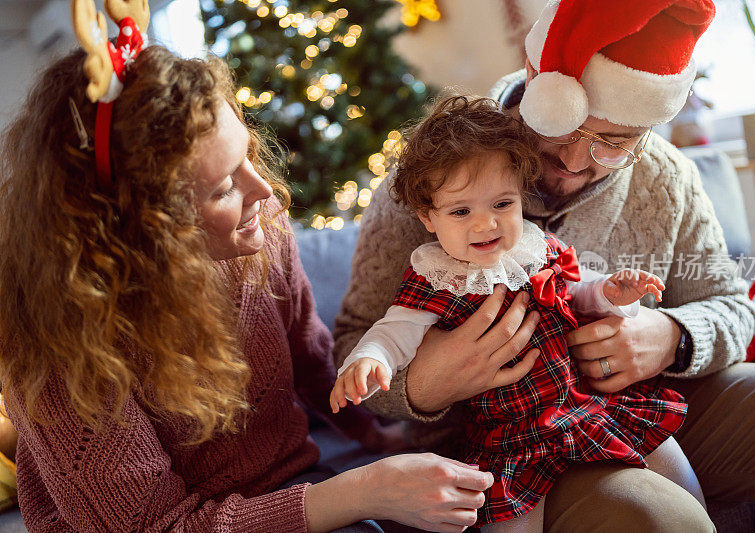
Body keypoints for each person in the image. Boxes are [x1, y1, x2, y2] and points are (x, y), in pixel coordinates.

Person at [0, 2, 495, 531]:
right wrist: (364, 491)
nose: (264, 194)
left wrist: (380, 437)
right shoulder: (60, 352)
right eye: (223, 188)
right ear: (139, 225)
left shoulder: (260, 239)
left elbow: (313, 363)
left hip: (293, 489)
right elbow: (158, 525)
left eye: (248, 159)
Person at [334, 1, 755, 531]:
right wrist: (424, 384)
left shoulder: (668, 178)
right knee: (654, 516)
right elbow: (353, 342)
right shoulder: (436, 177)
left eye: (614, 142)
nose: (577, 164)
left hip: (641, 406)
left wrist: (671, 335)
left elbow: (734, 307)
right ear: (537, 81)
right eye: (567, 129)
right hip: (502, 443)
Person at [330, 95, 705, 532]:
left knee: (673, 465)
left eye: (502, 204)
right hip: (509, 437)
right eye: (461, 211)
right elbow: (392, 332)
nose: (486, 224)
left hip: (583, 403)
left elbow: (576, 290)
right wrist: (369, 359)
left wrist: (611, 293)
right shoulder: (435, 278)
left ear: (520, 196)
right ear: (427, 217)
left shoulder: (533, 246)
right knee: (509, 521)